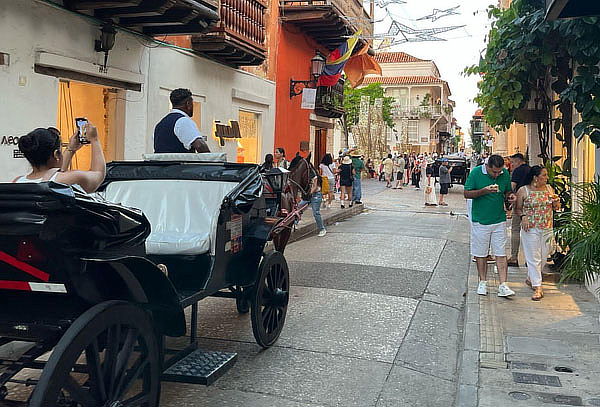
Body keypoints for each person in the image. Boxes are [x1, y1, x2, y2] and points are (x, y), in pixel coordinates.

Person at [464, 154, 516, 297]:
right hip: (480, 220)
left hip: (499, 218)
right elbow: (467, 193)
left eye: (499, 172)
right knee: (480, 253)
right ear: (487, 166)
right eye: (494, 172)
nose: (497, 175)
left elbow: (507, 191)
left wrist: (510, 196)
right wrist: (484, 191)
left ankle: (503, 284)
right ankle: (482, 281)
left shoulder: (504, 173)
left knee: (501, 252)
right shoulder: (476, 173)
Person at [13, 124, 106, 193]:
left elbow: (56, 173)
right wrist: (95, 139)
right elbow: (98, 174)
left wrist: (70, 149)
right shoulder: (68, 179)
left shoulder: (17, 182)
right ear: (56, 154)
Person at [514, 166, 560, 300]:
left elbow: (556, 207)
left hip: (547, 226)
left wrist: (556, 202)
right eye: (544, 175)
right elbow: (518, 209)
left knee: (545, 254)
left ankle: (531, 278)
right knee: (533, 257)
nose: (546, 178)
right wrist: (523, 216)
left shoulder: (549, 189)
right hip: (531, 228)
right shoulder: (524, 190)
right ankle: (538, 286)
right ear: (535, 177)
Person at [154, 88, 209, 153]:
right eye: (192, 104)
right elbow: (200, 145)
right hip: (179, 162)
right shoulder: (183, 121)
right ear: (188, 104)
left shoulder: (160, 124)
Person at [507, 153, 531, 267]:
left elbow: (512, 186)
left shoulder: (517, 171)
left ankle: (514, 257)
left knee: (516, 229)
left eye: (512, 162)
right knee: (530, 231)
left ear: (518, 161)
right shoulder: (530, 170)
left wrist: (508, 199)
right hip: (531, 202)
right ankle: (529, 260)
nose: (512, 165)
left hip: (520, 202)